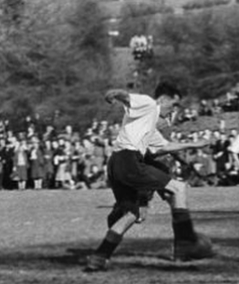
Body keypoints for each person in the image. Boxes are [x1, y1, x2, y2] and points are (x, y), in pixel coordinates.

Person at [84, 82, 214, 272]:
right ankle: (185, 244)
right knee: (178, 188)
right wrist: (114, 94)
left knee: (131, 215)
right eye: (174, 104)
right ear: (164, 99)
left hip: (116, 163)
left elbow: (165, 147)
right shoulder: (150, 104)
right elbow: (127, 98)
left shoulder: (147, 126)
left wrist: (196, 145)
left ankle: (100, 256)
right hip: (129, 160)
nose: (173, 110)